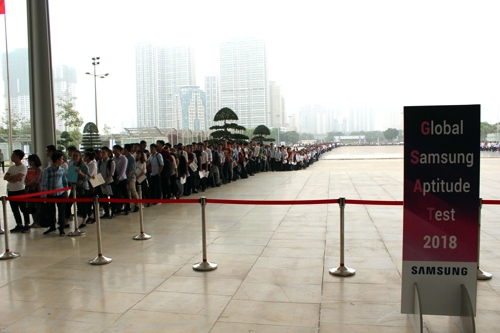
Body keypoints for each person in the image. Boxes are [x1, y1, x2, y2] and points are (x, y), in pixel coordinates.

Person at [41, 151, 68, 236]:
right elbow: (44, 183)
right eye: (61, 159)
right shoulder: (47, 170)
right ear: (57, 160)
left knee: (62, 211)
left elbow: (64, 181)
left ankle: (62, 228)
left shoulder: (62, 170)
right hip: (51, 194)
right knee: (51, 211)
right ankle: (52, 226)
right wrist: (44, 195)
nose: (62, 160)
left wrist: (66, 191)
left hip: (61, 193)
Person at [4, 150, 30, 233]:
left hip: (20, 190)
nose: (11, 157)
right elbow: (5, 177)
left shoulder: (23, 167)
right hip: (11, 190)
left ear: (18, 157)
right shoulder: (12, 167)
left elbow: (17, 179)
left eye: (13, 155)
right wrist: (13, 177)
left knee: (23, 208)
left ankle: (27, 224)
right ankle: (19, 224)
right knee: (14, 209)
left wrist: (11, 177)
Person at [25, 154, 43, 228]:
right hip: (29, 191)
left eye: (30, 161)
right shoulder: (29, 169)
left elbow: (36, 180)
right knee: (31, 207)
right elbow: (25, 178)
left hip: (37, 190)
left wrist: (28, 184)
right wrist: (27, 183)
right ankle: (34, 221)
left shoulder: (39, 170)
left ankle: (38, 222)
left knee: (37, 207)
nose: (29, 162)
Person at [123, 144, 139, 212]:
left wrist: (128, 177)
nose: (123, 150)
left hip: (131, 177)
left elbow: (131, 169)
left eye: (124, 149)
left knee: (133, 190)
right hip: (126, 177)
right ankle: (128, 206)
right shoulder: (124, 157)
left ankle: (137, 205)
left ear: (126, 149)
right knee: (128, 192)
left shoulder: (131, 157)